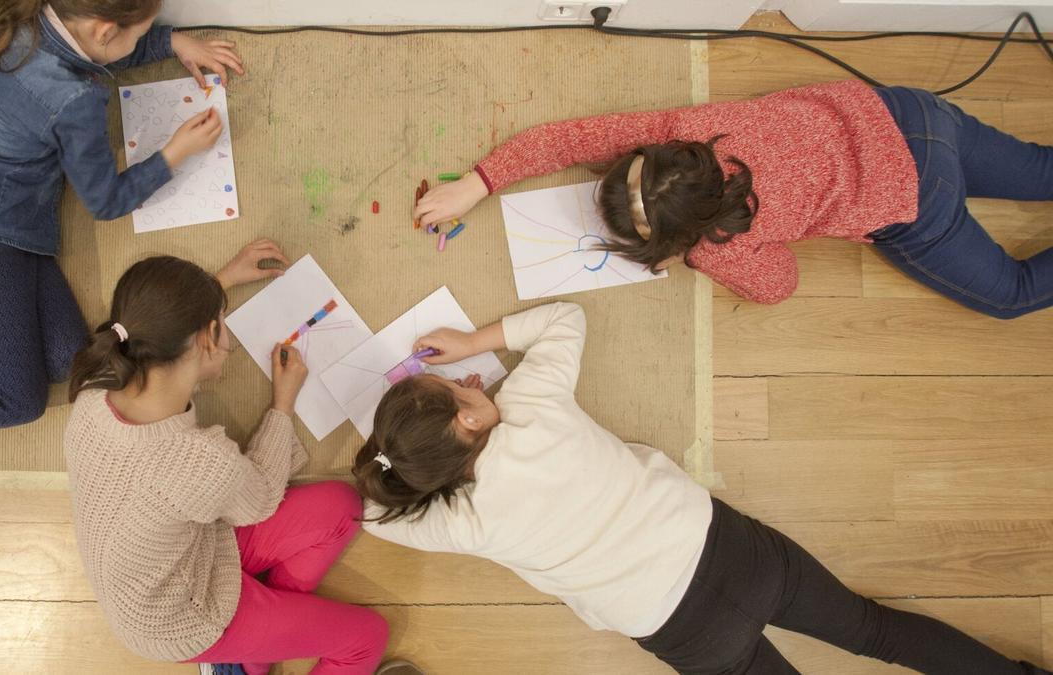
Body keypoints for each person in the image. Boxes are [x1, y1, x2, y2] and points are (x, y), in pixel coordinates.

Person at [353, 301, 1049, 674]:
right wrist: (477, 340)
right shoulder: (532, 401)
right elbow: (566, 318)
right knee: (875, 629)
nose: (470, 377)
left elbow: (376, 519)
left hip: (684, 630)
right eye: (458, 385)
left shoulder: (466, 522)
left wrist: (403, 465)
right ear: (471, 416)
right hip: (728, 550)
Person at [0, 0, 245, 477]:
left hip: (0, 220)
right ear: (103, 30)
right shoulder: (75, 99)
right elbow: (105, 201)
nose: (140, 41)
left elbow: (81, 53)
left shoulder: (23, 15)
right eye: (137, 35)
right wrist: (174, 153)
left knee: (67, 361)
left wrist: (169, 42)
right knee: (18, 401)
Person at [64, 242, 419, 675]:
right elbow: (262, 496)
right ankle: (237, 652)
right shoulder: (197, 461)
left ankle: (253, 658)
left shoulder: (96, 384)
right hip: (181, 618)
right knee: (366, 640)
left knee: (341, 508)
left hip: (176, 562)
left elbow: (162, 335)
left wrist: (218, 284)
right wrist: (282, 405)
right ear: (209, 338)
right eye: (221, 326)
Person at [416, 79, 1053, 319]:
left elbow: (779, 285)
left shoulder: (728, 239)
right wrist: (479, 182)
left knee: (1011, 296)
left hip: (915, 199)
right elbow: (570, 140)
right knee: (1042, 171)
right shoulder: (680, 132)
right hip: (909, 112)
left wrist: (697, 256)